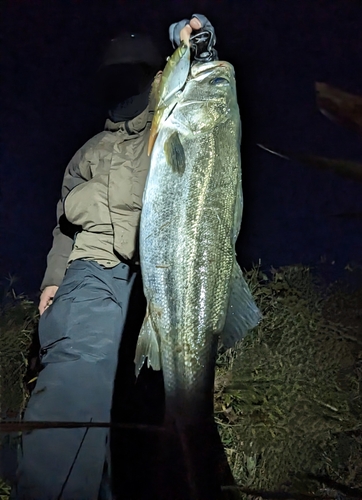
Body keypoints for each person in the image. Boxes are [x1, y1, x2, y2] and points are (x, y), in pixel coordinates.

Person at [13, 14, 217, 500]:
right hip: (91, 272)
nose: (126, 85)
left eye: (139, 74)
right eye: (115, 77)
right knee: (78, 375)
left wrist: (194, 47)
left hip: (158, 277)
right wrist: (51, 280)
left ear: (155, 77)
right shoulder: (86, 152)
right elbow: (64, 227)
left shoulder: (172, 125)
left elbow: (207, 108)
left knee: (141, 416)